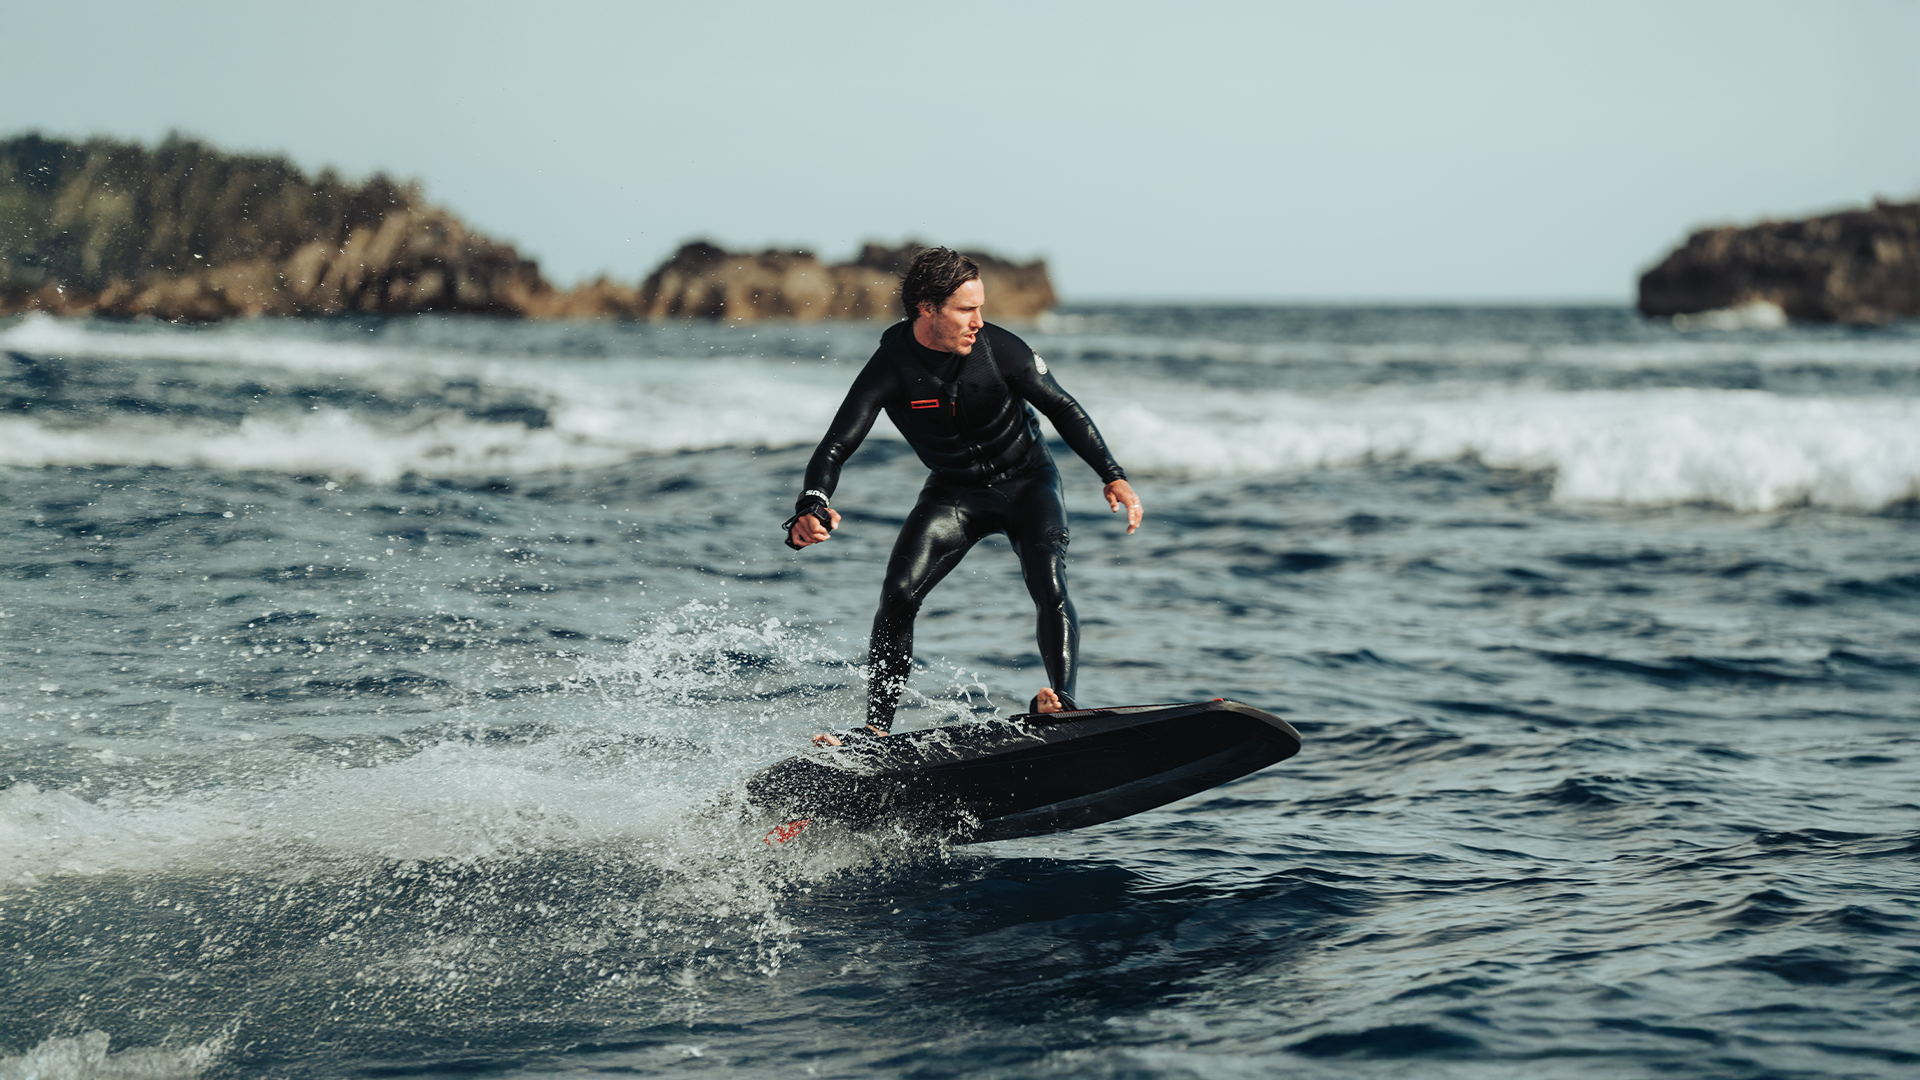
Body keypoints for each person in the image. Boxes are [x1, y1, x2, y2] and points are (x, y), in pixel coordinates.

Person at [784, 247, 1142, 743]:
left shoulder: (1001, 349)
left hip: (1027, 481)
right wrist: (812, 502)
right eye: (966, 310)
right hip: (954, 493)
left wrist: (1112, 473)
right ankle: (876, 731)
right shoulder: (892, 364)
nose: (979, 321)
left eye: (981, 308)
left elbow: (1064, 407)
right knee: (899, 594)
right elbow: (837, 444)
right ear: (927, 309)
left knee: (1047, 577)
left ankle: (1062, 706)